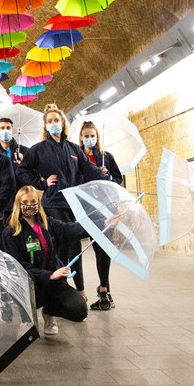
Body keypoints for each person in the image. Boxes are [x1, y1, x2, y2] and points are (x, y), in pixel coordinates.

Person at [17, 104, 109, 301]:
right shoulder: (38, 149)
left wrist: (104, 176)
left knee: (72, 246)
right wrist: (40, 182)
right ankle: (70, 289)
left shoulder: (74, 149)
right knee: (66, 245)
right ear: (45, 126)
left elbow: (88, 169)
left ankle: (77, 289)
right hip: (53, 203)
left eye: (56, 120)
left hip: (73, 204)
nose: (53, 124)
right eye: (49, 121)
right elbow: (22, 171)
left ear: (62, 123)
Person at [3, 186, 89, 335]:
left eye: (33, 201)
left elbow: (71, 230)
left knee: (80, 310)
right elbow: (18, 266)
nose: (30, 205)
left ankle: (49, 311)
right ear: (18, 204)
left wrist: (100, 224)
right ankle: (26, 319)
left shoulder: (47, 223)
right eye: (25, 201)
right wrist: (48, 275)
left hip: (54, 282)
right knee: (25, 290)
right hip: (29, 284)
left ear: (39, 203)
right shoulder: (11, 232)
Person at [79, 121, 123, 311]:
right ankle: (85, 291)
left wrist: (107, 176)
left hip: (105, 209)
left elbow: (118, 181)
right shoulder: (77, 157)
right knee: (89, 248)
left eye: (92, 135)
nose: (90, 138)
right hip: (86, 208)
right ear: (81, 137)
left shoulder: (106, 157)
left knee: (103, 250)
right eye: (86, 135)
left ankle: (104, 290)